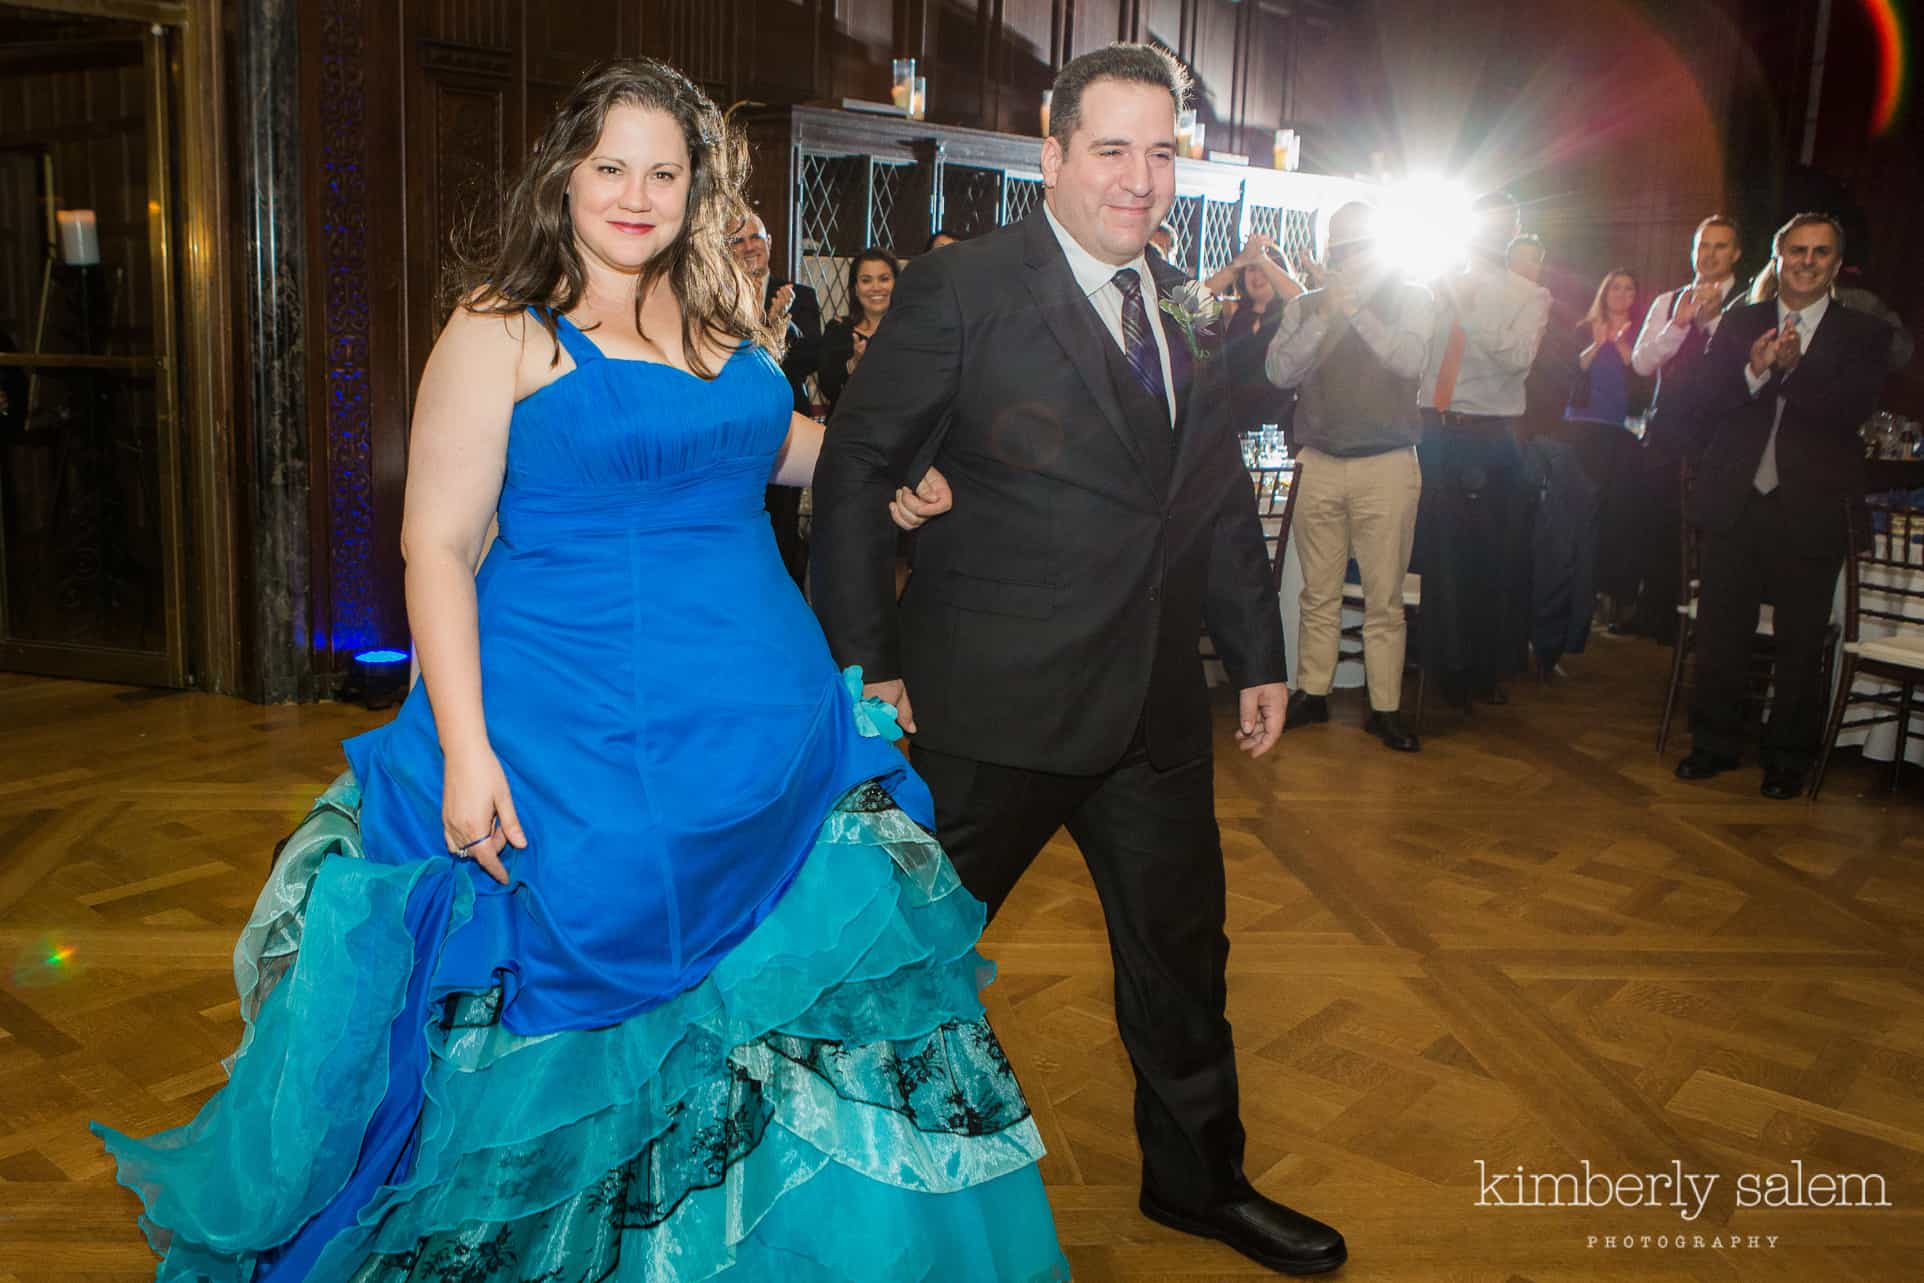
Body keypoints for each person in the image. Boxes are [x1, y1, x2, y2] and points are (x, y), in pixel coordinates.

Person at [90, 58, 1069, 1282]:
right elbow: (435, 546)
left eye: (664, 171)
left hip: (769, 743)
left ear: (695, 190)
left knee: (786, 1028)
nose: (635, 194)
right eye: (611, 164)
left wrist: (896, 479)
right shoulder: (500, 324)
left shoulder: (718, 324)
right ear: (563, 173)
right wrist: (464, 748)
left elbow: (780, 444)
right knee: (563, 1052)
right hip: (571, 746)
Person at [813, 42, 1348, 1278]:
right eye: (1111, 149)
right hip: (989, 706)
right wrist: (866, 661)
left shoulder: (1189, 302)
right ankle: (849, 1195)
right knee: (901, 954)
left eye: (1161, 152)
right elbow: (856, 467)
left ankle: (1198, 1181)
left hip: (1155, 709)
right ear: (1050, 157)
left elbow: (1206, 501)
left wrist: (1255, 650)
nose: (1139, 178)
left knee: (1183, 958)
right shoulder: (963, 289)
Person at [1674, 213, 1889, 799]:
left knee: (1800, 642)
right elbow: (1703, 403)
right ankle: (1712, 745)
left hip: (1810, 508)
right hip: (1737, 501)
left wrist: (1794, 372)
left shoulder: (1861, 334)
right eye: (1797, 251)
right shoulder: (1740, 321)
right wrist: (1754, 369)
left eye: (1820, 253)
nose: (1807, 261)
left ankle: (1787, 759)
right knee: (1720, 633)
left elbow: (1851, 411)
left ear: (1836, 265)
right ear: (1779, 257)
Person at [1265, 200, 1433, 753]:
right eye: (1338, 248)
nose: (1345, 257)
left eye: (1356, 247)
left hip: (1386, 463)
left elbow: (1408, 361)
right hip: (1319, 459)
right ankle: (1312, 692)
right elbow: (1279, 370)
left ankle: (1384, 708)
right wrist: (1328, 315)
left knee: (1384, 598)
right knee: (1318, 592)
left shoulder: (1414, 297)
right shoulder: (1309, 305)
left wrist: (1359, 312)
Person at [1414, 192, 1552, 709]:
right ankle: (1433, 664)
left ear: (1513, 230)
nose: (1490, 234)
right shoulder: (1437, 281)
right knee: (1435, 553)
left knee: (1485, 560)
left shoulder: (1527, 295)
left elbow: (1518, 359)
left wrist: (1470, 313)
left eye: (1501, 226)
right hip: (1431, 428)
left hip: (1487, 435)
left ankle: (1478, 670)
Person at [1629, 214, 1745, 642]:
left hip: (1720, 432)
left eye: (1719, 246)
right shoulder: (1667, 300)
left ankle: (1698, 624)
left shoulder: (1748, 302)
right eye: (1703, 246)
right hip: (1668, 427)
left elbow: (1739, 365)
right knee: (1658, 523)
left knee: (1707, 528)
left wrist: (1711, 323)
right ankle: (1655, 615)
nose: (1709, 255)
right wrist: (1679, 325)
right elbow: (1641, 363)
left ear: (1735, 253)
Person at [1547, 269, 1652, 624]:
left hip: (1621, 430)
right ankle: (1577, 596)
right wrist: (1598, 342)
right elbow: (1570, 372)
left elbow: (1645, 380)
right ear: (1604, 293)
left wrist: (1625, 350)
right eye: (1616, 288)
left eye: (1629, 289)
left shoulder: (1642, 336)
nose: (1621, 294)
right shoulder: (1583, 328)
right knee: (1578, 514)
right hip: (1582, 427)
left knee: (1616, 516)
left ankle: (1611, 595)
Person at [727, 210, 821, 585]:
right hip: (737, 428)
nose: (749, 247)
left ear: (770, 243)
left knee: (782, 524)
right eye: (738, 240)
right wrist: (767, 323)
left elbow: (811, 357)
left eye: (756, 238)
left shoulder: (801, 296)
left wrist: (778, 324)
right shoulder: (719, 298)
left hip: (787, 426)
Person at [816, 246, 899, 411]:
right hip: (849, 429)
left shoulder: (912, 331)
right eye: (866, 280)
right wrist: (853, 365)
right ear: (855, 288)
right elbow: (828, 390)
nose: (876, 287)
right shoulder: (838, 330)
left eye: (884, 279)